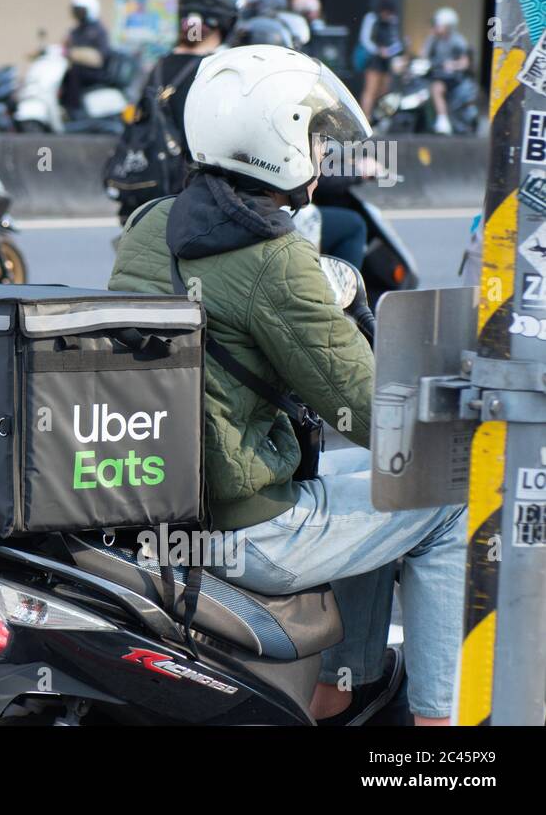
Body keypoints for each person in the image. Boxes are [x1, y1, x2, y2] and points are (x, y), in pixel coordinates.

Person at [107, 45, 466, 725]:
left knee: (365, 476)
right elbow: (374, 414)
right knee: (443, 492)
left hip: (159, 501)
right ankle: (437, 728)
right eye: (314, 137)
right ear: (281, 142)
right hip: (244, 528)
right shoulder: (278, 260)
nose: (322, 154)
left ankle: (337, 689)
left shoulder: (149, 225)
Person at [136, 0, 244, 168]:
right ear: (228, 19)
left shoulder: (161, 63)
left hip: (150, 176)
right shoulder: (222, 68)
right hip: (188, 182)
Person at [60, 0, 112, 116]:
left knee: (74, 73)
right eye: (76, 11)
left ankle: (75, 109)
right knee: (64, 74)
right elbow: (66, 46)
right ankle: (63, 107)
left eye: (80, 11)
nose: (78, 14)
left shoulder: (98, 30)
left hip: (95, 71)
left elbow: (101, 56)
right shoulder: (76, 30)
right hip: (78, 67)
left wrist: (74, 53)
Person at [422, 7, 471, 135]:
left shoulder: (457, 41)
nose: (437, 27)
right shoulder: (433, 39)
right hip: (434, 75)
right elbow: (424, 56)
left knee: (437, 88)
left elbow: (465, 63)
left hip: (451, 78)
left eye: (439, 24)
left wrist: (453, 65)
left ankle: (443, 120)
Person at [356, 0, 404, 119]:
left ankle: (379, 117)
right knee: (370, 89)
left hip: (387, 60)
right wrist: (378, 50)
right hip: (374, 60)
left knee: (384, 90)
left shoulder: (393, 21)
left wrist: (390, 52)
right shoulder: (372, 18)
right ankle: (366, 117)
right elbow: (365, 39)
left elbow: (396, 41)